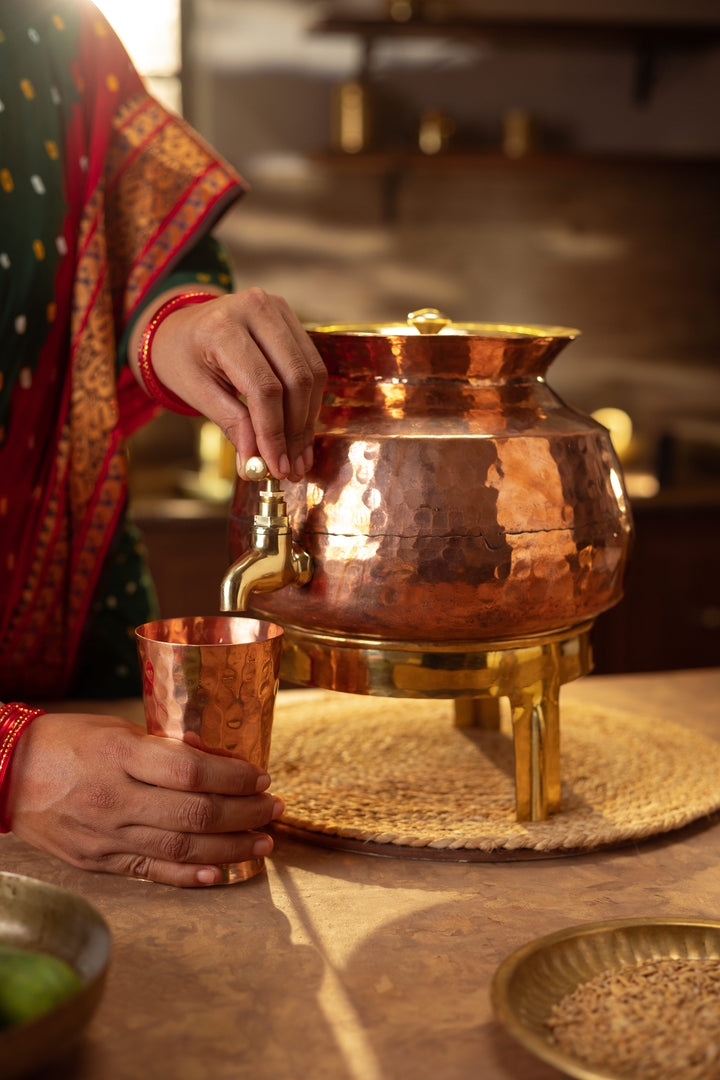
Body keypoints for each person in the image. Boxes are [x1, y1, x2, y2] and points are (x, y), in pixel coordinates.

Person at [0, 0, 327, 886]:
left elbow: (156, 257)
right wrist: (11, 765)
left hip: (86, 674)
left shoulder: (55, 37)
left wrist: (178, 328)